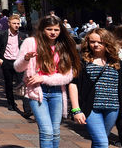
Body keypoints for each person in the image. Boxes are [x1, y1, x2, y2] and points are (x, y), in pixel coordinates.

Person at [14, 15, 80, 148]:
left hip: (56, 92)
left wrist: (43, 78)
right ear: (42, 29)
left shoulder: (63, 46)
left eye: (56, 29)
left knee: (55, 132)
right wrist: (26, 59)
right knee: (47, 131)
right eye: (49, 29)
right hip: (37, 92)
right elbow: (18, 67)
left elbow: (68, 76)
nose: (53, 32)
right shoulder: (31, 42)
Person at [69, 28, 122, 148]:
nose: (95, 45)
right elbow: (73, 84)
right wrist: (76, 109)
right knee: (102, 142)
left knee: (99, 141)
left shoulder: (116, 62)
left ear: (107, 42)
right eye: (92, 42)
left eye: (100, 42)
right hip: (91, 109)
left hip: (112, 109)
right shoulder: (82, 61)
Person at [0, 14, 31, 116]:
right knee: (9, 84)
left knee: (23, 84)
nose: (17, 25)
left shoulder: (22, 36)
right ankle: (11, 103)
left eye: (18, 23)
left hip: (19, 63)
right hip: (6, 62)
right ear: (9, 24)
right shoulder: (1, 34)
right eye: (14, 23)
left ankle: (27, 109)